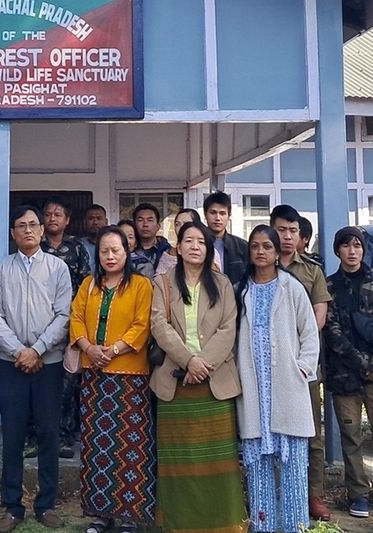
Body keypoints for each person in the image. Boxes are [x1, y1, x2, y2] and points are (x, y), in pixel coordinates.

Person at [149, 221, 246, 533]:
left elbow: (229, 328)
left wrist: (203, 363)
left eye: (200, 242)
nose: (194, 246)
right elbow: (158, 326)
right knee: (177, 463)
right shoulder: (162, 283)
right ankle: (178, 523)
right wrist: (189, 361)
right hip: (174, 383)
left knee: (219, 463)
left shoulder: (223, 283)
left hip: (213, 383)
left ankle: (223, 524)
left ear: (208, 249)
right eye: (188, 241)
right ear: (177, 247)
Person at [0, 206, 71, 533]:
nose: (28, 230)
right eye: (21, 226)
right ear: (13, 233)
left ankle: (46, 504)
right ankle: (12, 506)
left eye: (33, 225)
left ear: (41, 230)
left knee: (49, 433)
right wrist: (19, 351)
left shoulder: (58, 268)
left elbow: (64, 315)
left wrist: (36, 350)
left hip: (47, 365)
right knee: (14, 436)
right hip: (12, 365)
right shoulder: (2, 270)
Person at [69, 226, 155, 533]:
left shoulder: (142, 285)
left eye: (115, 250)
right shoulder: (89, 285)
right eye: (104, 251)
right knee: (97, 447)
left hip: (131, 379)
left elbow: (142, 324)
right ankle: (100, 514)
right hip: (94, 378)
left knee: (131, 447)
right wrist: (89, 348)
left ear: (126, 252)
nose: (109, 256)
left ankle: (130, 516)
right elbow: (76, 318)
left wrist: (114, 349)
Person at [235, 225, 319, 533]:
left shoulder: (291, 287)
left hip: (287, 386)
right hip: (254, 388)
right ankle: (263, 526)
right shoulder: (242, 289)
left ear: (276, 252)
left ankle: (295, 526)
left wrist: (303, 367)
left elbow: (309, 332)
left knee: (293, 467)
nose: (260, 252)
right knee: (257, 466)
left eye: (266, 247)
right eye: (254, 246)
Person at [323, 226, 373, 518]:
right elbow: (332, 331)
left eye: (357, 245)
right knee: (351, 436)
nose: (352, 251)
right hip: (345, 374)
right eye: (346, 245)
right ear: (337, 250)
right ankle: (358, 494)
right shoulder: (329, 287)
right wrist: (359, 363)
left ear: (363, 250)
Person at [270, 204, 332, 521]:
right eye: (282, 229)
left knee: (311, 433)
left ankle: (314, 495)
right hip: (268, 365)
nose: (288, 236)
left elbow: (318, 318)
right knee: (270, 431)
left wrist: (297, 351)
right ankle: (274, 491)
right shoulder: (260, 267)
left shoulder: (311, 270)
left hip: (303, 364)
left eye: (293, 231)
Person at [40, 197, 91, 459]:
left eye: (58, 214)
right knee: (39, 383)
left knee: (68, 383)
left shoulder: (77, 249)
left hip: (70, 325)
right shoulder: (34, 247)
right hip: (38, 325)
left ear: (67, 220)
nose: (52, 218)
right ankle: (37, 437)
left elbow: (86, 286)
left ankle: (63, 436)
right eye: (48, 214)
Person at [203, 191, 248, 285]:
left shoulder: (242, 246)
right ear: (205, 214)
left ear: (229, 216)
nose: (217, 218)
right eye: (213, 212)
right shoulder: (199, 244)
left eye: (222, 213)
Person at [156, 209, 206, 276]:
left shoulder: (206, 249)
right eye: (177, 224)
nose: (181, 227)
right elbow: (158, 279)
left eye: (186, 223)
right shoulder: (169, 252)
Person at [132, 203, 171, 271]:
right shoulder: (128, 250)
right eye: (140, 220)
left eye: (150, 220)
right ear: (134, 225)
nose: (145, 224)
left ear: (158, 226)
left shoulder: (167, 250)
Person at [80, 204, 108, 272]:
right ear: (84, 222)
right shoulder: (78, 245)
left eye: (99, 218)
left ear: (106, 222)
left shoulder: (113, 243)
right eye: (91, 218)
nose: (95, 222)